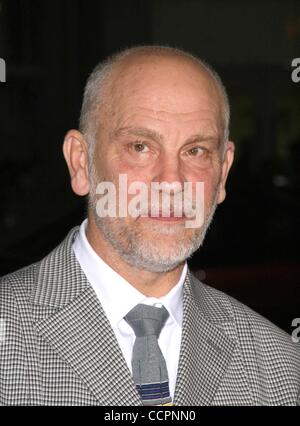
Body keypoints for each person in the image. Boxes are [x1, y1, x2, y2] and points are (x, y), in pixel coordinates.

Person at [0, 46, 299, 406]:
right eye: (141, 146)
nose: (172, 182)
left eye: (196, 151)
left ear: (223, 173)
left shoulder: (280, 367)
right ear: (81, 163)